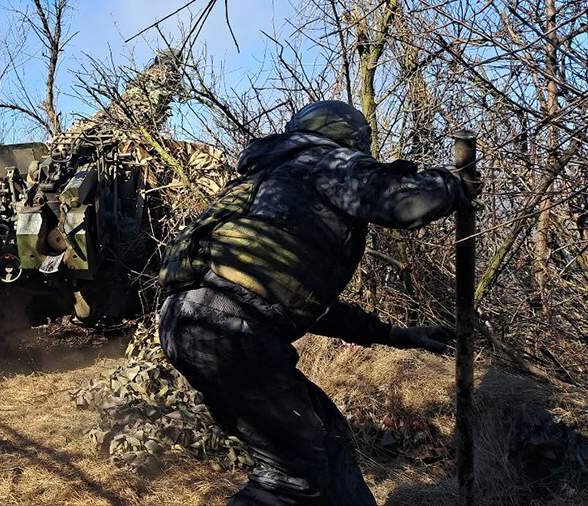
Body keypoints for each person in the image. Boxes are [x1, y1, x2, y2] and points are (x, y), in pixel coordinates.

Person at [158, 100, 480, 505]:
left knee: (326, 441)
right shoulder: (325, 162)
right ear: (352, 140)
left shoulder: (272, 181)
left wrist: (397, 335)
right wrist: (453, 184)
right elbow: (405, 204)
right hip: (231, 331)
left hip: (192, 325)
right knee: (291, 477)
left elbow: (290, 297)